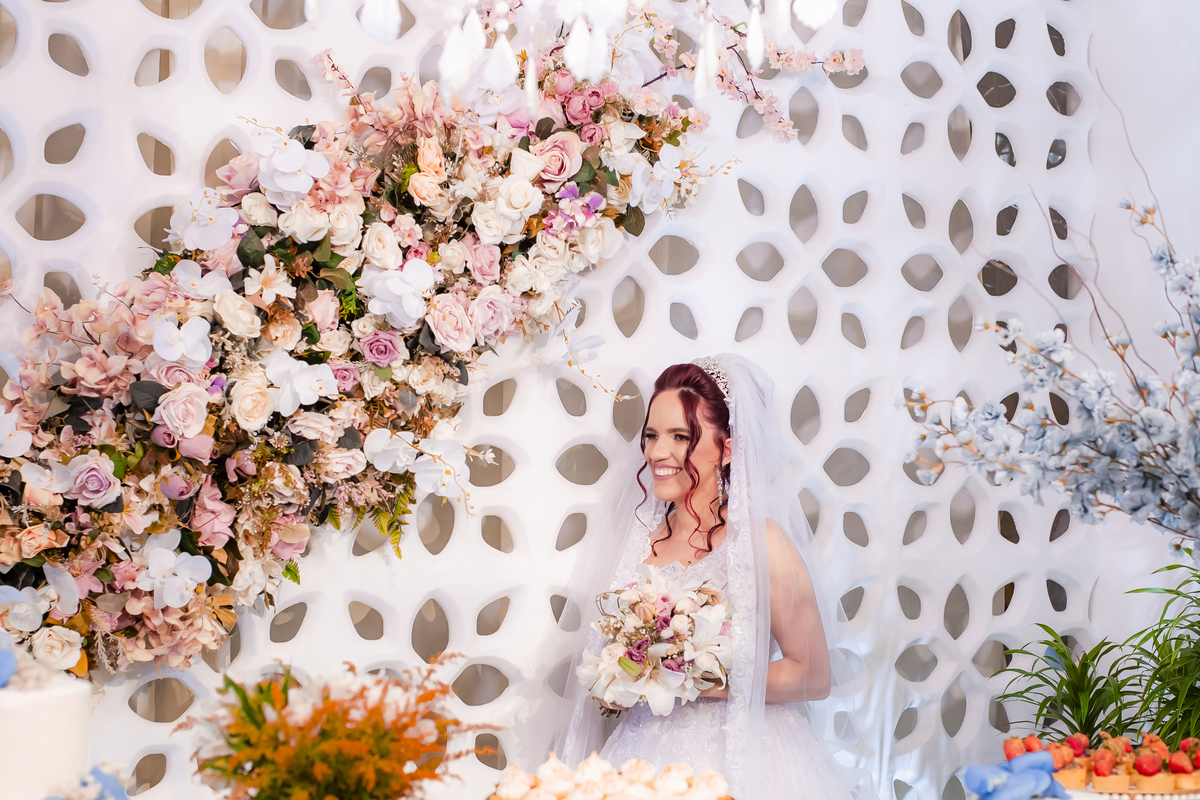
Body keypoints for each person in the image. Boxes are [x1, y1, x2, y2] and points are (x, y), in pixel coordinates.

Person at [522, 354, 865, 799]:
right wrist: (619, 678)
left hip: (747, 760)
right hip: (642, 758)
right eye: (651, 435)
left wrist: (690, 678)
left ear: (727, 448)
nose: (657, 452)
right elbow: (617, 663)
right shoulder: (640, 539)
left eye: (680, 436)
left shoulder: (763, 543)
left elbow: (814, 676)